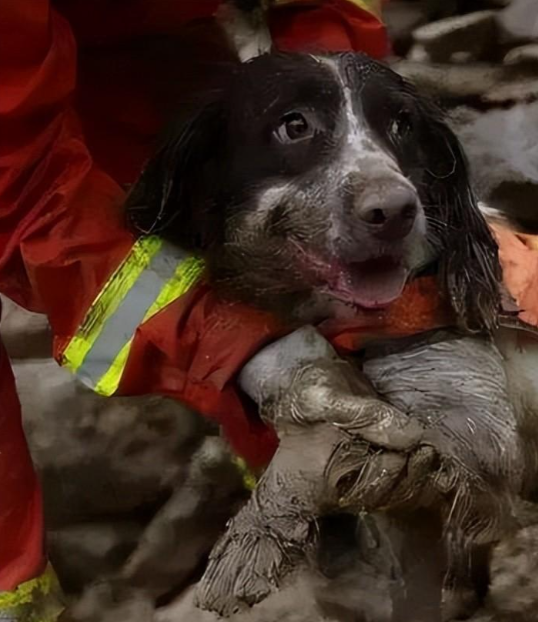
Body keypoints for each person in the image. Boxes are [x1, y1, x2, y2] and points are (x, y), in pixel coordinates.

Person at [0, 2, 388, 619]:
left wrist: (337, 125)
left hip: (130, 26)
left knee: (236, 198)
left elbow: (334, 12)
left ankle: (329, 513)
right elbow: (29, 207)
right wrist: (233, 343)